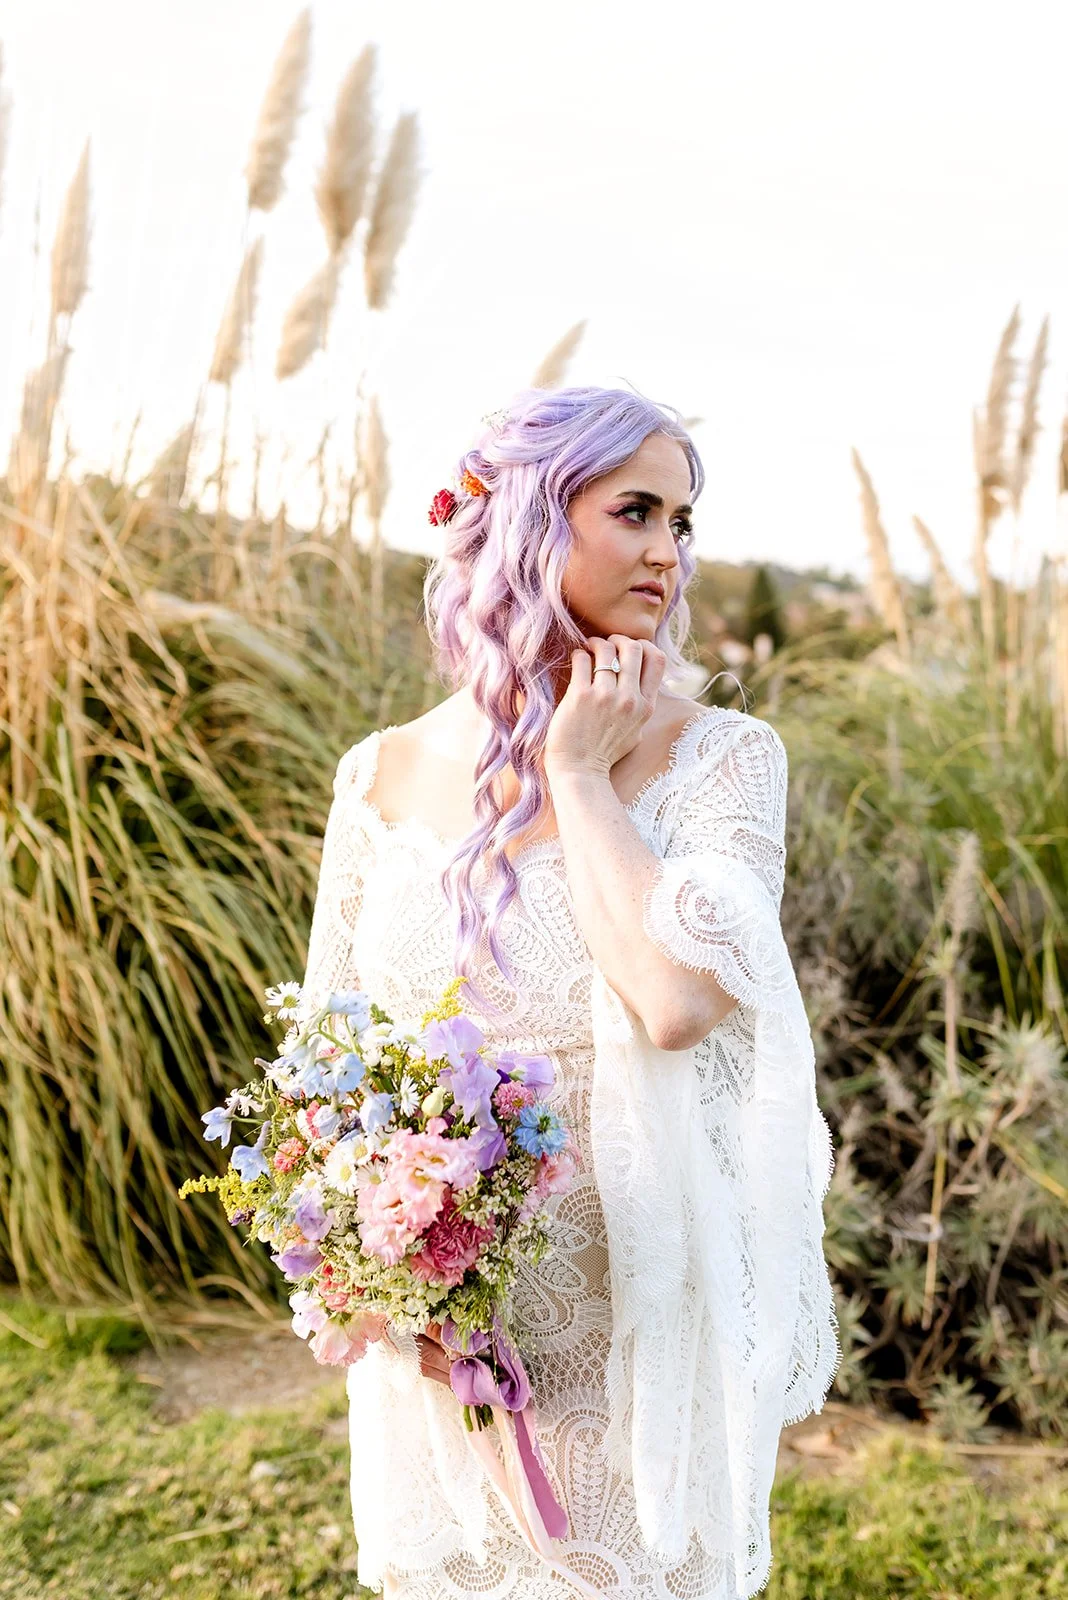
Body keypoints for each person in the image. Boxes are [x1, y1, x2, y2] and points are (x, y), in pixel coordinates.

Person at [298, 385, 839, 1600]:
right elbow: (329, 1056)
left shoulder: (724, 758)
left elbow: (674, 1002)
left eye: (684, 520)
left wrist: (579, 774)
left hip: (630, 1309)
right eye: (635, 508)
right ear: (530, 521)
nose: (668, 549)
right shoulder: (376, 772)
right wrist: (379, 1261)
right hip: (446, 1318)